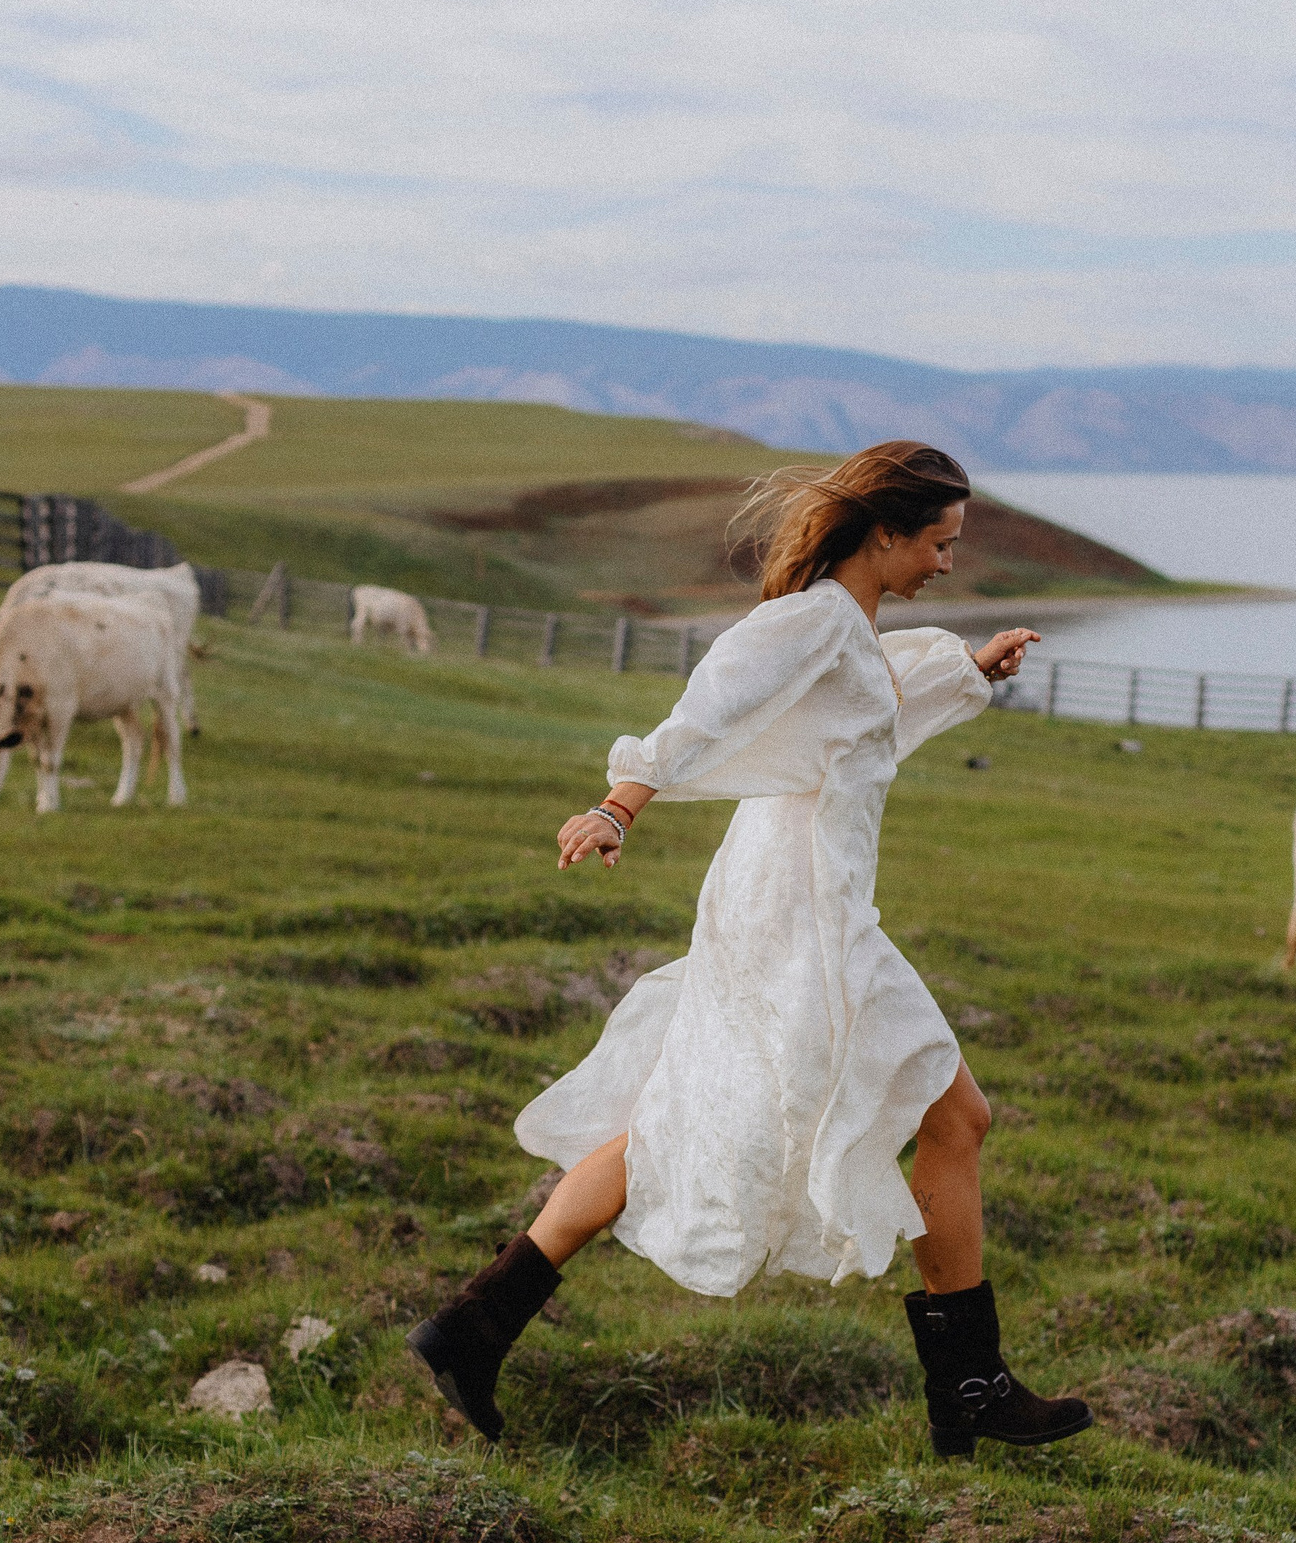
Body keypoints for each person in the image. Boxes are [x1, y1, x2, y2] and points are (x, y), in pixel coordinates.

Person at [412, 440, 1091, 1459]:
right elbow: (708, 710)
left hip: (796, 899)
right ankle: (971, 1391)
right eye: (939, 543)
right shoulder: (809, 620)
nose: (947, 564)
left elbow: (858, 732)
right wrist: (617, 804)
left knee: (671, 1118)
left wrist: (967, 668)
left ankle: (472, 1328)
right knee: (956, 1116)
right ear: (887, 531)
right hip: (800, 914)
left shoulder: (849, 627)